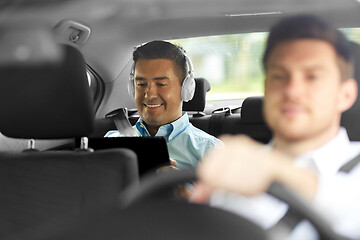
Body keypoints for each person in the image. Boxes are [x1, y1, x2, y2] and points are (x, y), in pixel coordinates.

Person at [190, 15, 360, 239]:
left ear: (345, 94)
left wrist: (282, 171)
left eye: (312, 77)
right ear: (266, 87)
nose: (292, 90)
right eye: (280, 76)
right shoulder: (231, 175)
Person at [105, 40, 221, 169]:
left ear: (185, 89)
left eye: (161, 84)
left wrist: (183, 188)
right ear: (132, 88)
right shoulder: (112, 142)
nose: (149, 95)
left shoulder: (212, 152)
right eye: (141, 84)